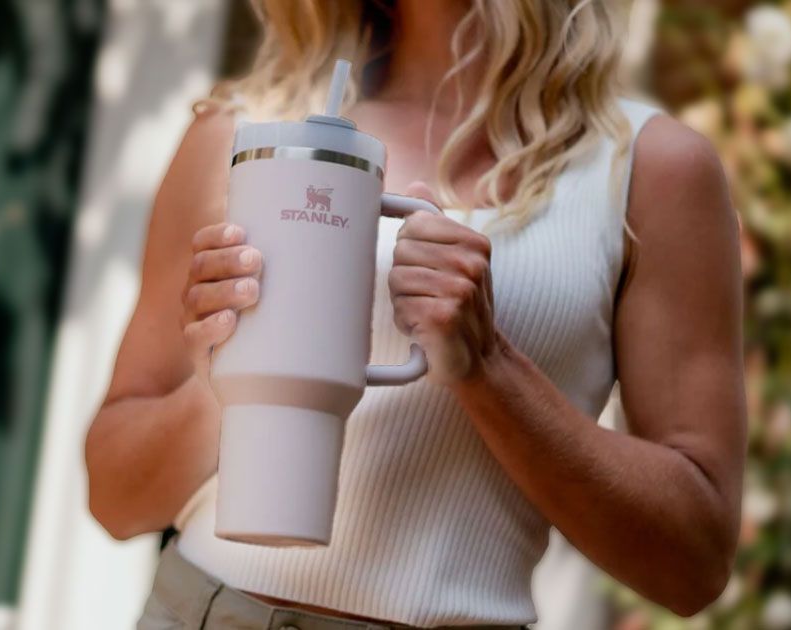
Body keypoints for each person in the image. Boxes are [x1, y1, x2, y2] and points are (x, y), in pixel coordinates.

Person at [85, 1, 747, 628]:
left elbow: (692, 564)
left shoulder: (649, 170)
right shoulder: (241, 135)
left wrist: (490, 368)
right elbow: (115, 500)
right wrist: (231, 379)